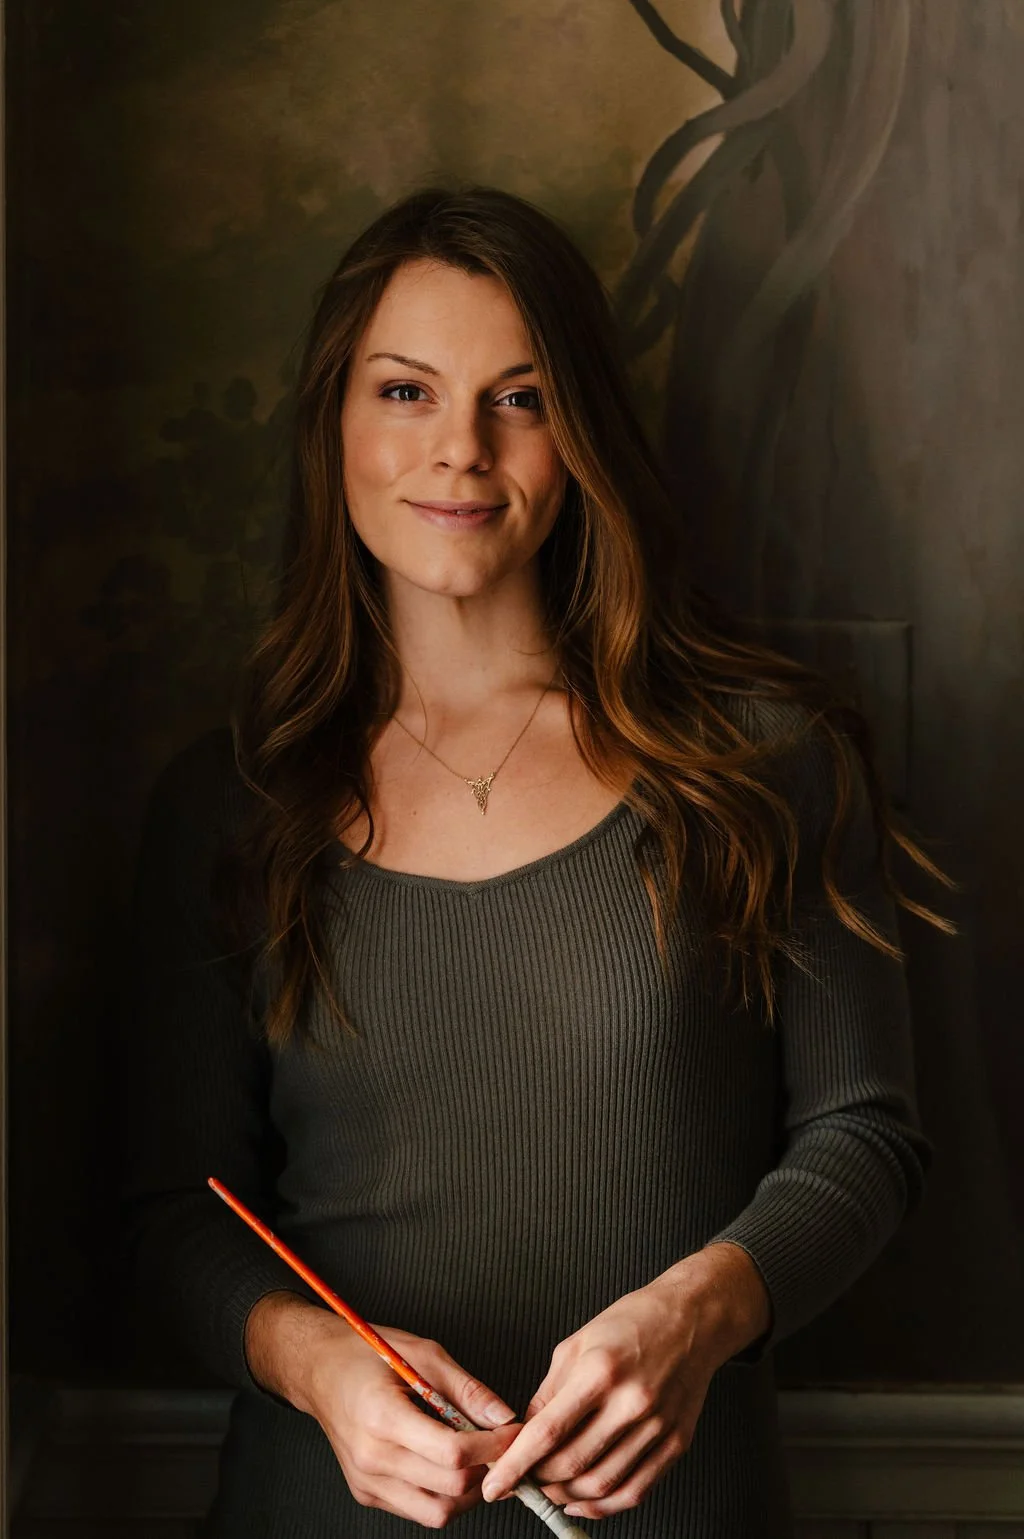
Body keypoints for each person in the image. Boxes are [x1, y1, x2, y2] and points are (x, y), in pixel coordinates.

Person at [120, 184, 951, 1538]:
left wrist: (701, 1309)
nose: (459, 449)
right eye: (404, 391)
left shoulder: (763, 763)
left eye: (520, 397)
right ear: (332, 420)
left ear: (581, 436)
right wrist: (316, 1365)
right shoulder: (225, 809)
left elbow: (865, 1133)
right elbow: (174, 1207)